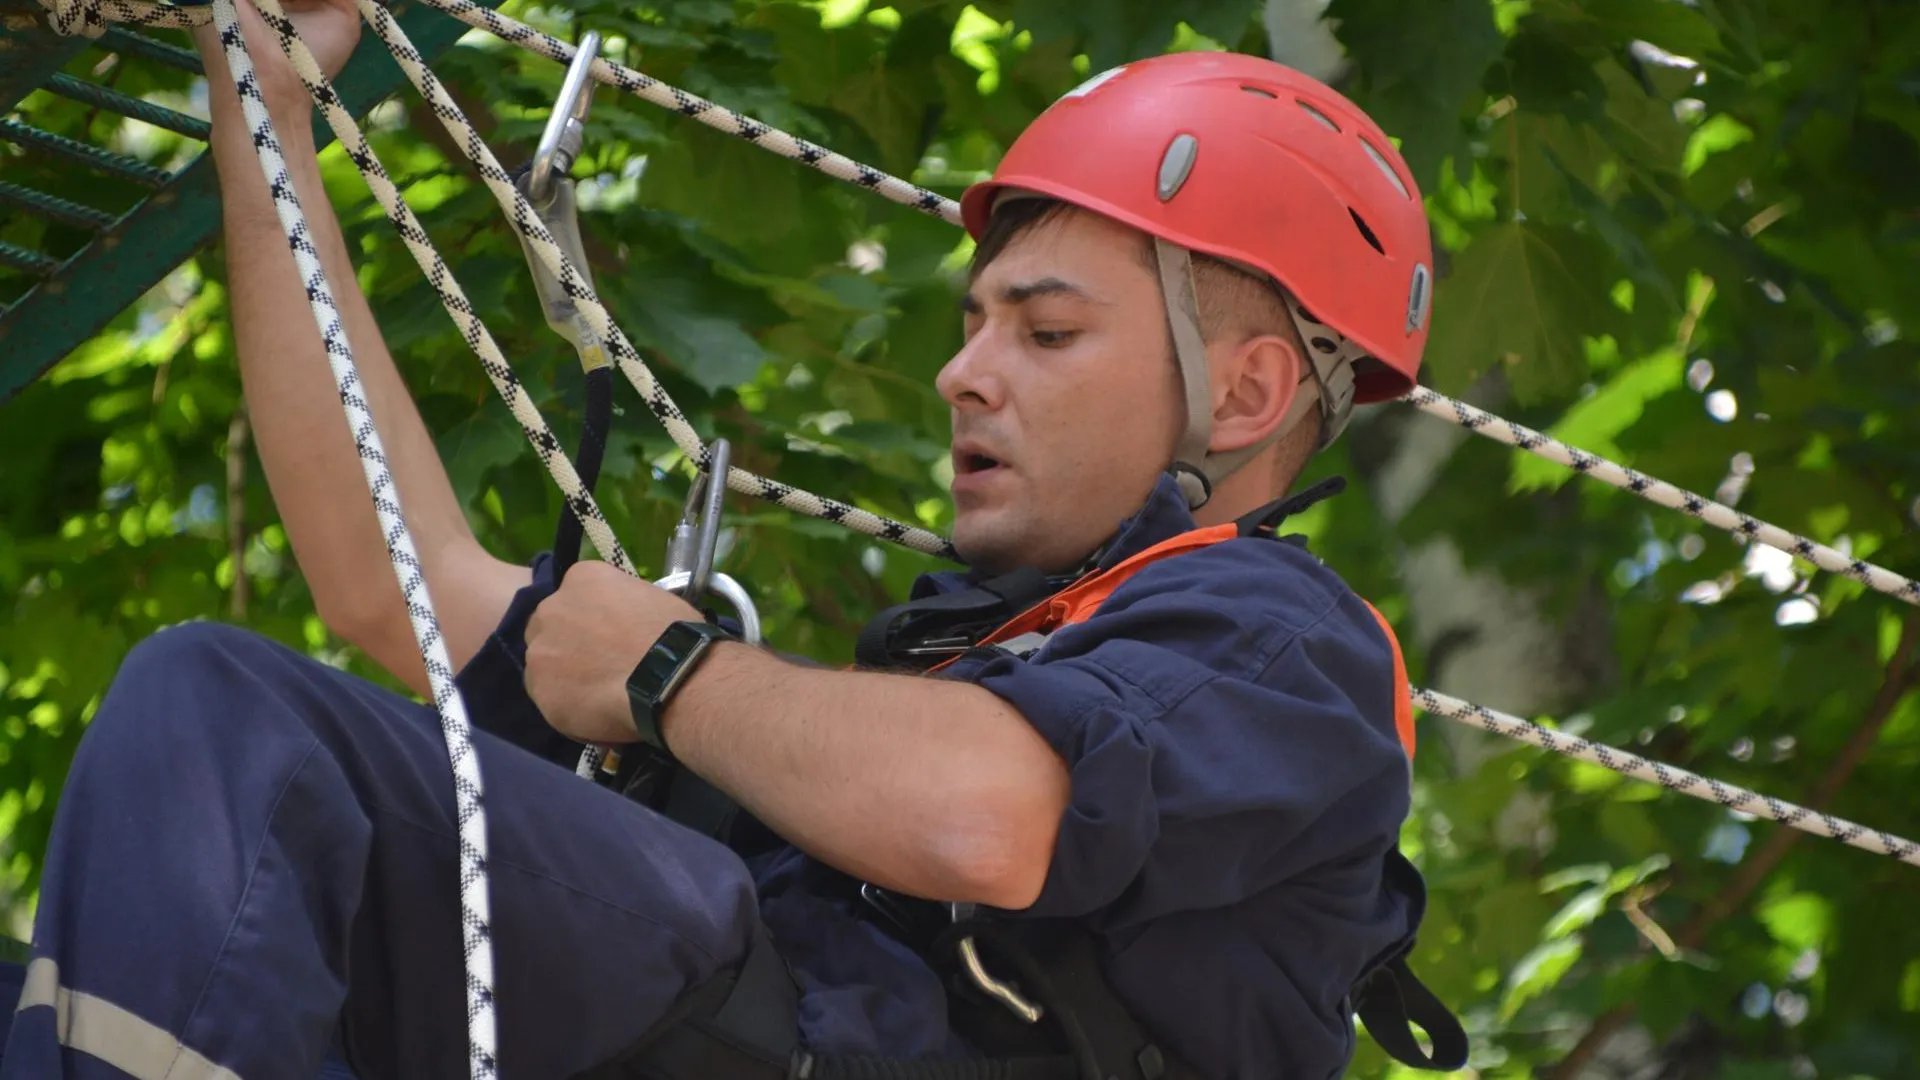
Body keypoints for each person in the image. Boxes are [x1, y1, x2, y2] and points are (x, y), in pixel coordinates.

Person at [0, 0, 1461, 1076]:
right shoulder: (906, 711)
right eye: (972, 325)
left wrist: (673, 673)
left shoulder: (1281, 644)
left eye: (1049, 331)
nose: (964, 374)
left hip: (800, 1038)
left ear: (1247, 395)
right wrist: (265, 111)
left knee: (224, 709)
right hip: (738, 1022)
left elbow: (991, 816)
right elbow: (402, 583)